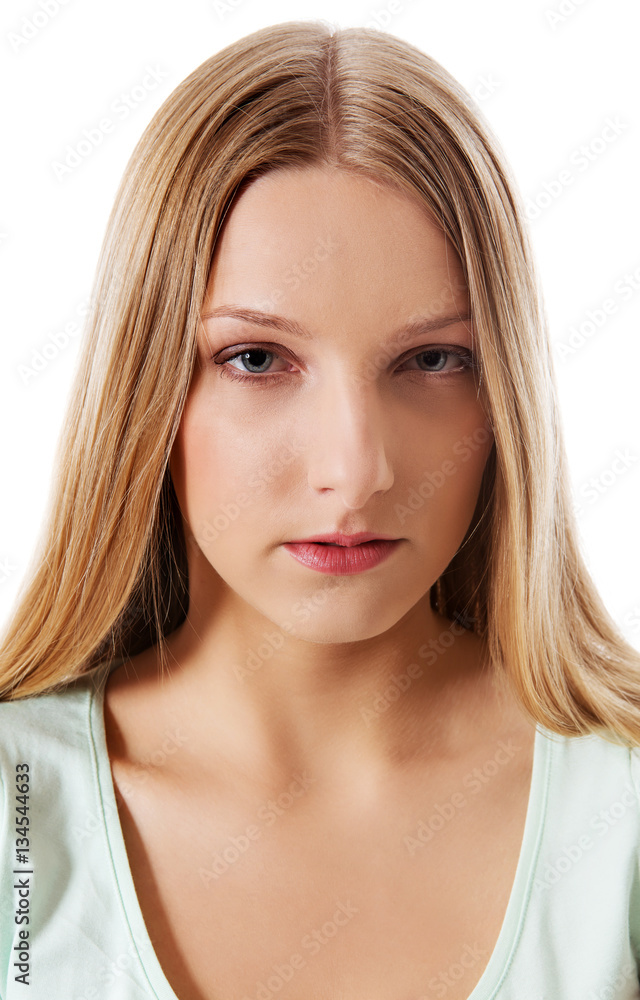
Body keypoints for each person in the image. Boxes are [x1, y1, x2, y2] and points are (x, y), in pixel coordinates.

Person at [1, 18, 639, 1000]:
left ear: (506, 392)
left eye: (432, 360)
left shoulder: (621, 813)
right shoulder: (14, 809)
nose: (356, 469)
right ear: (146, 394)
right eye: (257, 359)